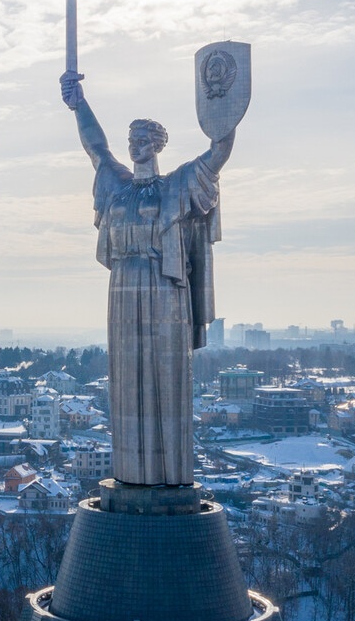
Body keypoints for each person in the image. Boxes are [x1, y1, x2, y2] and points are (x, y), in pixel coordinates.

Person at [61, 70, 233, 486]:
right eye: (131, 140)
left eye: (143, 140)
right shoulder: (117, 187)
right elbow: (94, 146)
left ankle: (170, 475)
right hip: (122, 287)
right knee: (126, 376)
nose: (135, 146)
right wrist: (78, 103)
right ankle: (131, 473)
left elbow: (218, 155)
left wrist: (223, 112)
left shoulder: (174, 187)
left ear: (157, 146)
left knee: (166, 374)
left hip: (163, 287)